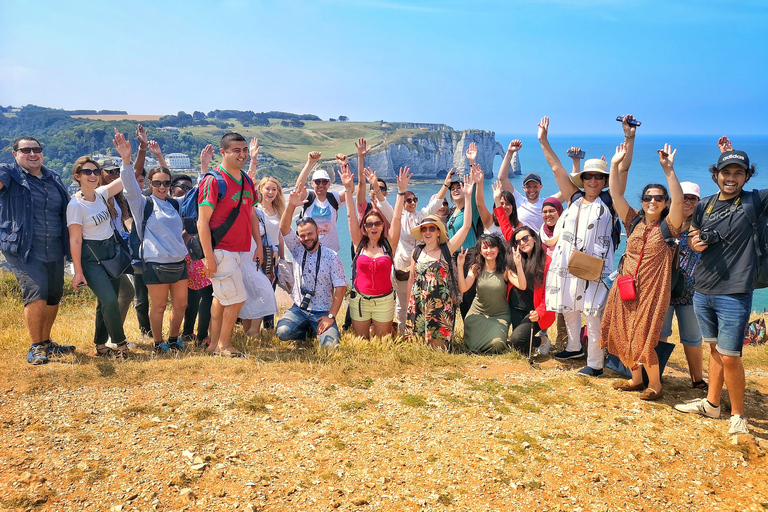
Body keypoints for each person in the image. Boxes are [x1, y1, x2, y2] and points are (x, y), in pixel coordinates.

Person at [674, 137, 763, 436]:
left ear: (747, 176)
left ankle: (738, 415)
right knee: (714, 349)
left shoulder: (755, 202)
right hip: (703, 289)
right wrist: (694, 243)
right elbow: (693, 233)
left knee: (730, 356)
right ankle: (712, 404)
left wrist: (730, 154)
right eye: (726, 172)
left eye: (739, 173)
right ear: (716, 175)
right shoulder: (705, 205)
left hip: (735, 291)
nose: (731, 178)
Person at [539, 115, 632, 376]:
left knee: (592, 314)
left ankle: (595, 363)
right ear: (582, 179)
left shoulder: (610, 202)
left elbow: (624, 172)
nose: (593, 181)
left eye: (598, 177)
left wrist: (629, 138)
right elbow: (556, 168)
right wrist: (543, 140)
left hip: (596, 267)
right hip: (569, 262)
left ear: (604, 180)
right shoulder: (575, 197)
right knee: (568, 306)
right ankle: (573, 347)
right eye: (588, 176)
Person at [600, 143, 684, 401]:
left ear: (665, 202)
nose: (653, 201)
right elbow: (615, 194)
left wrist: (669, 170)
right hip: (625, 286)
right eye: (648, 198)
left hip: (652, 292)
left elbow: (680, 200)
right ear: (643, 201)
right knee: (622, 332)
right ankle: (636, 379)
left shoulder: (670, 225)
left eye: (658, 198)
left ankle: (655, 384)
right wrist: (615, 164)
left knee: (644, 338)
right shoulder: (633, 220)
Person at [0, 136, 74, 364]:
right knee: (37, 291)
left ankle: (46, 342)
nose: (32, 154)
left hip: (55, 245)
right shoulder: (9, 173)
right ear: (15, 154)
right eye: (26, 150)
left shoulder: (53, 177)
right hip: (24, 247)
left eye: (37, 149)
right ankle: (35, 347)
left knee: (53, 295)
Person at [116, 131, 189, 353]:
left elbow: (194, 193)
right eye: (157, 183)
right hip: (155, 264)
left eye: (166, 183)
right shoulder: (143, 204)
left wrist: (160, 158)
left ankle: (174, 339)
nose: (162, 186)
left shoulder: (174, 204)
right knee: (158, 306)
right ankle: (158, 343)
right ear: (150, 183)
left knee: (181, 305)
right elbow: (129, 187)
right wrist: (126, 160)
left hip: (179, 262)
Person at [197, 132, 263, 357]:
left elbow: (252, 215)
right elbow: (202, 222)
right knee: (237, 299)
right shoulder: (213, 181)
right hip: (220, 250)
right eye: (236, 150)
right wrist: (208, 257)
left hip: (238, 250)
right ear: (223, 152)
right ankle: (224, 345)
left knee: (221, 299)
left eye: (244, 150)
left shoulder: (246, 180)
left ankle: (214, 344)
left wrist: (258, 245)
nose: (242, 154)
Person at [67, 155, 130, 358]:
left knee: (105, 302)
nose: (92, 175)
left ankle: (101, 346)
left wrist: (127, 158)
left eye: (95, 171)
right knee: (110, 300)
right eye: (87, 172)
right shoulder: (75, 205)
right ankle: (121, 345)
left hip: (110, 254)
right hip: (91, 259)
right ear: (77, 176)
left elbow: (127, 178)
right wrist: (78, 272)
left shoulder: (101, 194)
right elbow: (75, 240)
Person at [405, 175, 474, 349]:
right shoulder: (416, 252)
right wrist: (408, 307)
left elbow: (466, 226)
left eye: (432, 228)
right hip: (418, 305)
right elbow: (411, 280)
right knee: (419, 349)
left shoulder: (447, 249)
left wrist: (467, 197)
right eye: (424, 229)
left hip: (441, 307)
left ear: (438, 232)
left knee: (439, 350)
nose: (427, 232)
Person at [276, 182, 347, 349]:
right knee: (283, 332)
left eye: (310, 234)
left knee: (330, 346)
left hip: (322, 311)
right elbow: (284, 227)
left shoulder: (331, 256)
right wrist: (291, 205)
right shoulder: (297, 249)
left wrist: (331, 316)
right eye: (302, 235)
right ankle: (307, 332)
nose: (306, 238)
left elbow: (341, 287)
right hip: (299, 308)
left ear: (317, 233)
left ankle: (317, 330)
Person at [341, 164, 408, 338]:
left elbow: (397, 218)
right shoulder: (358, 244)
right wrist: (348, 189)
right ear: (364, 227)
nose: (373, 227)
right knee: (361, 343)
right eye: (369, 224)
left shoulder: (389, 245)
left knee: (382, 344)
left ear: (382, 226)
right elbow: (350, 216)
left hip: (384, 301)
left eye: (377, 223)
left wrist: (401, 192)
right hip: (360, 301)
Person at [659, 181, 706, 390]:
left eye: (692, 199)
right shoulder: (665, 225)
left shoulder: (704, 227)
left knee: (693, 337)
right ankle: (656, 376)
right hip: (664, 289)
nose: (687, 202)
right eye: (683, 197)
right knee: (660, 333)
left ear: (698, 202)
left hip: (693, 291)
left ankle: (697, 379)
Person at [391, 171, 453, 332]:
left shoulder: (422, 215)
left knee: (420, 299)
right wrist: (396, 191)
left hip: (421, 264)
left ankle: (420, 330)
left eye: (415, 199)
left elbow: (437, 202)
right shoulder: (398, 217)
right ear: (403, 202)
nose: (413, 203)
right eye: (409, 200)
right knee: (402, 303)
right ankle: (403, 331)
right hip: (402, 266)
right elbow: (385, 206)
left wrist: (446, 184)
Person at [96, 157, 135, 345]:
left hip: (115, 251)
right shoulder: (97, 195)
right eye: (109, 171)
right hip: (102, 251)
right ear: (100, 173)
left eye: (116, 172)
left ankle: (110, 337)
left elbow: (125, 218)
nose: (113, 175)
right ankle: (112, 338)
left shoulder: (118, 197)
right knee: (121, 294)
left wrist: (135, 233)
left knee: (119, 294)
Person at [457, 234, 517, 353]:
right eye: (485, 248)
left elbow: (522, 285)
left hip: (500, 316)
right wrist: (460, 266)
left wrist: (518, 265)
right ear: (480, 251)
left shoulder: (505, 269)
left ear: (498, 248)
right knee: (472, 347)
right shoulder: (475, 268)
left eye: (492, 247)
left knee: (497, 345)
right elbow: (463, 288)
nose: (489, 251)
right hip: (477, 315)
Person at [507, 227, 555, 355]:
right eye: (518, 242)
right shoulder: (515, 259)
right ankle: (535, 342)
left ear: (534, 238)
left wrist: (540, 312)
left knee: (517, 339)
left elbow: (550, 293)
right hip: (516, 308)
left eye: (525, 238)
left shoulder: (547, 262)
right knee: (520, 349)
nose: (522, 243)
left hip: (534, 311)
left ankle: (543, 340)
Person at [294, 151, 346, 252]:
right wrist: (310, 163)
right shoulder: (309, 197)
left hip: (330, 251)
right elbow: (298, 188)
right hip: (309, 250)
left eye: (324, 182)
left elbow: (350, 189)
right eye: (317, 182)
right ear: (312, 184)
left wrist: (345, 165)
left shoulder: (334, 198)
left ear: (329, 184)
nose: (321, 185)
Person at [498, 139, 546, 231]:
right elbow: (502, 178)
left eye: (535, 186)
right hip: (522, 239)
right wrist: (510, 152)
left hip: (541, 240)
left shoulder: (547, 203)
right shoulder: (518, 200)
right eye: (528, 187)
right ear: (523, 188)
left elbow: (568, 192)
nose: (532, 190)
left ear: (541, 187)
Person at [538, 196, 566, 351]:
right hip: (545, 276)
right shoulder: (541, 233)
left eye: (551, 211)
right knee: (545, 306)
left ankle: (563, 343)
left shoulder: (566, 230)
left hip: (563, 276)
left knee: (564, 309)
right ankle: (543, 338)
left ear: (559, 212)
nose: (548, 214)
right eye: (545, 211)